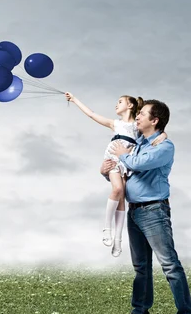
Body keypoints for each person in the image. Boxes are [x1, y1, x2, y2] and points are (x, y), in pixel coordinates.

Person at [102, 99, 191, 314]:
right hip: (134, 210)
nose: (138, 117)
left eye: (143, 114)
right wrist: (107, 173)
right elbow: (127, 174)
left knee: (170, 265)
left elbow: (139, 165)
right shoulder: (143, 143)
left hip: (154, 211)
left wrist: (123, 154)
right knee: (141, 266)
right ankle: (140, 310)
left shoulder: (164, 147)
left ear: (155, 120)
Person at [64, 92, 167, 256]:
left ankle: (118, 240)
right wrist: (75, 99)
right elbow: (91, 114)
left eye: (120, 101)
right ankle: (107, 228)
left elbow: (154, 133)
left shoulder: (137, 126)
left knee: (122, 197)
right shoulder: (115, 124)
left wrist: (163, 136)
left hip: (126, 160)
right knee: (117, 189)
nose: (116, 105)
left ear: (130, 105)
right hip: (112, 157)